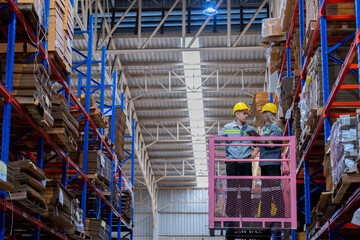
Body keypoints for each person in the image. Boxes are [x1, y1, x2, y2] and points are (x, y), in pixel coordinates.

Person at [217, 102, 258, 239]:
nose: (246, 115)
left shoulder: (250, 129)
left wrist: (253, 155)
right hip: (233, 164)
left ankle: (246, 219)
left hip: (245, 163)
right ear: (237, 114)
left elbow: (260, 143)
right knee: (233, 191)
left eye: (247, 113)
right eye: (244, 113)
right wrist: (223, 143)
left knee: (247, 191)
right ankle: (231, 221)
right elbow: (216, 141)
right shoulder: (228, 128)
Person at [259, 103, 285, 228]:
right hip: (264, 163)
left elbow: (273, 143)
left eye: (264, 113)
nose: (262, 115)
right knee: (265, 191)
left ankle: (281, 212)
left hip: (272, 162)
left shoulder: (275, 127)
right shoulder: (266, 128)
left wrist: (262, 141)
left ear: (268, 114)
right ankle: (265, 214)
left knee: (275, 189)